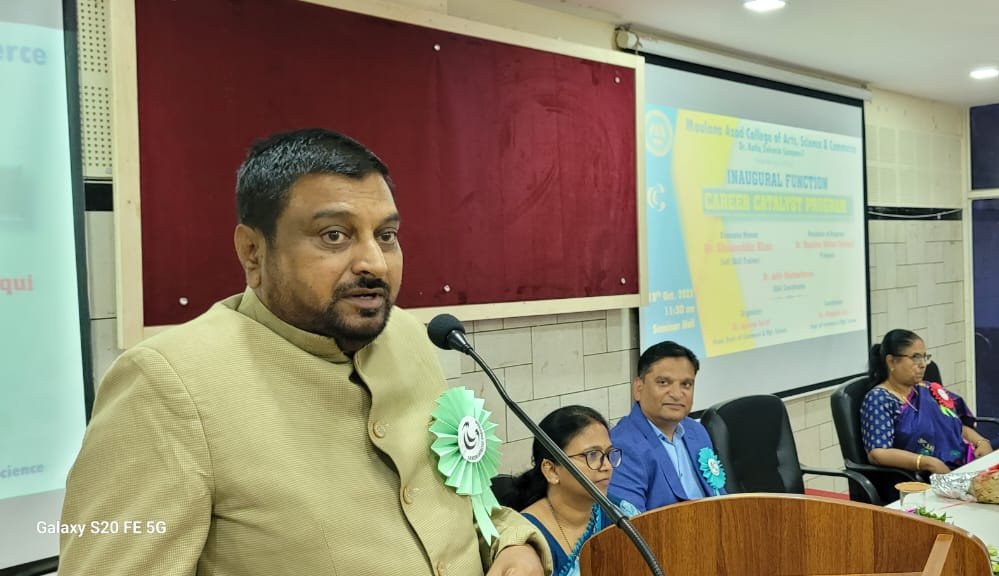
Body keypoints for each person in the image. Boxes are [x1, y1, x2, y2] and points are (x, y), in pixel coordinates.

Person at [59, 129, 549, 576]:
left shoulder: (407, 336)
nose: (375, 264)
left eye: (386, 236)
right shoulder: (167, 383)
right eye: (334, 235)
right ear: (253, 252)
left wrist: (510, 542)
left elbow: (456, 502)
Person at [503, 406, 637, 576]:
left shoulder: (621, 514)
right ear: (551, 471)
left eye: (609, 453)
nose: (607, 466)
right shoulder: (524, 539)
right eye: (592, 455)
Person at [608, 341, 725, 513]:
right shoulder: (621, 445)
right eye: (663, 382)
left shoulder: (697, 431)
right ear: (638, 388)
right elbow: (632, 523)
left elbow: (720, 496)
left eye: (686, 384)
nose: (677, 394)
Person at [861, 329, 993, 475]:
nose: (923, 365)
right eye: (915, 357)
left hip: (964, 465)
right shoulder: (880, 398)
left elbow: (955, 426)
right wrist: (927, 463)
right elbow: (878, 453)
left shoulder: (928, 389)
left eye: (925, 357)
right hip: (919, 478)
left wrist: (981, 442)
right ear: (891, 362)